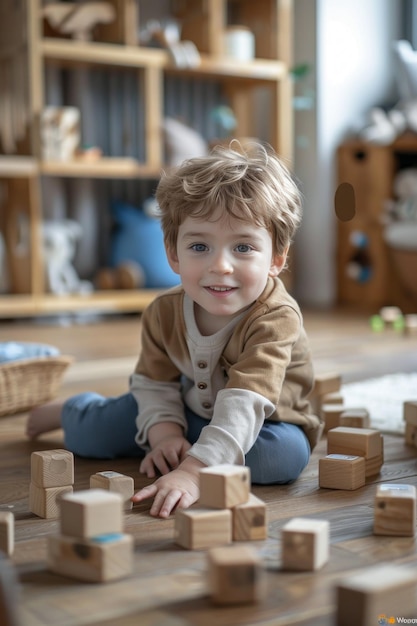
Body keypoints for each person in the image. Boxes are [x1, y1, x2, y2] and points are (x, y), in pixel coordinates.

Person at [27, 142, 322, 518]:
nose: (221, 266)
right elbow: (154, 382)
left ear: (276, 259)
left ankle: (196, 448)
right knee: (90, 436)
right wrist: (164, 433)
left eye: (243, 248)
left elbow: (247, 401)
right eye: (199, 246)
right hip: (185, 409)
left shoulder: (276, 318)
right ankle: (72, 410)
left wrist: (194, 473)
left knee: (282, 459)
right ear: (173, 254)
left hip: (265, 422)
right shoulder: (163, 312)